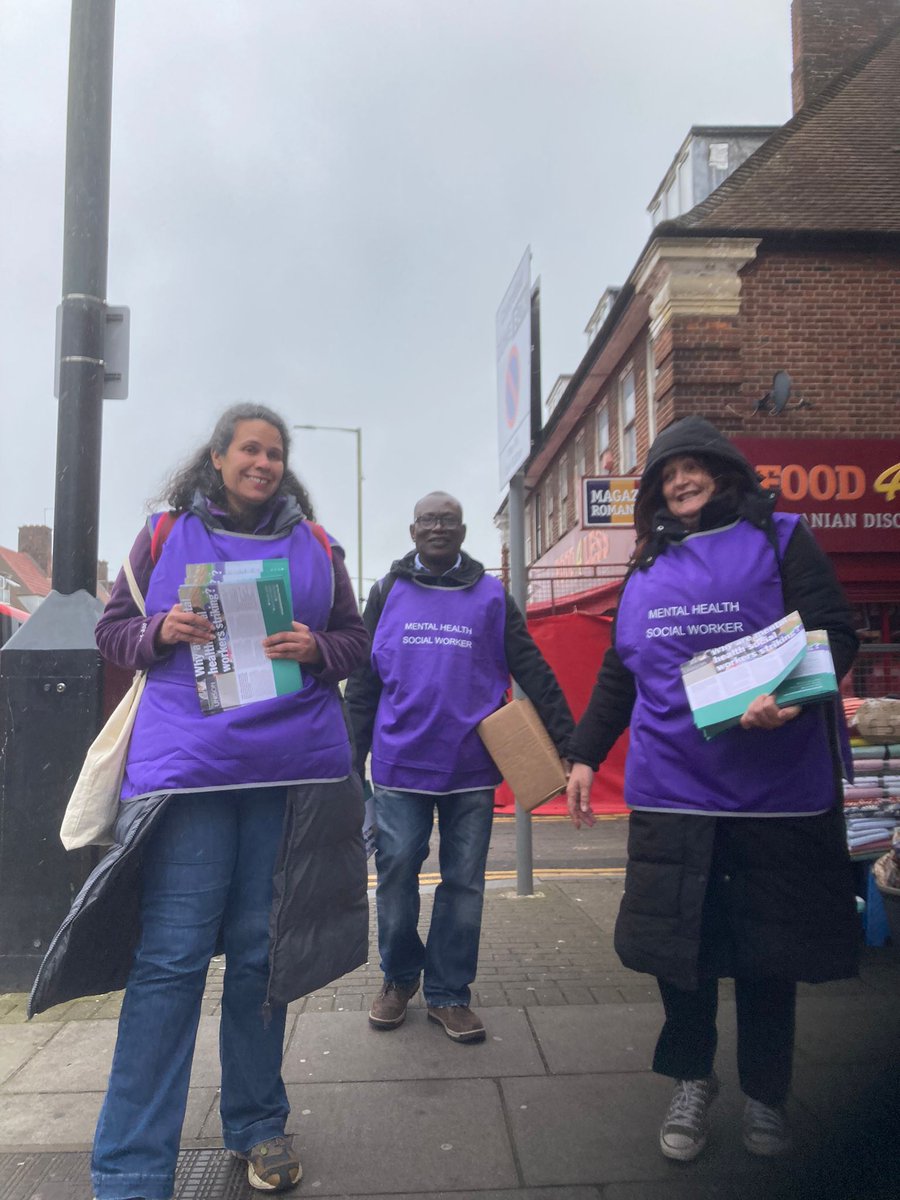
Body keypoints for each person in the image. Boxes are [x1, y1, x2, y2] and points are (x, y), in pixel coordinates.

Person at [31, 404, 370, 1200]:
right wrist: (158, 631)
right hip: (190, 782)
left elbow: (357, 641)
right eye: (249, 449)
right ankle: (132, 1167)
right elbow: (112, 634)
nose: (263, 463)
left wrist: (318, 649)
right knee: (171, 963)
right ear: (217, 458)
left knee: (262, 960)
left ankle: (257, 1124)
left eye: (275, 453)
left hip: (288, 781)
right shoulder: (160, 536)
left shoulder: (318, 547)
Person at [566, 416, 860, 1164]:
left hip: (773, 791)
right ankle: (692, 1079)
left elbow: (833, 629)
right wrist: (581, 757)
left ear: (726, 471)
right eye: (667, 473)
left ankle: (766, 1091)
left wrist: (791, 696)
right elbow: (618, 674)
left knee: (768, 953)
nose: (680, 480)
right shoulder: (645, 565)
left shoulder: (783, 537)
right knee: (679, 954)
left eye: (694, 466)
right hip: (673, 791)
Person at [345, 491, 574, 1043]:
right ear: (413, 529)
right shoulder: (386, 592)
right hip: (399, 769)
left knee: (464, 885)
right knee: (396, 876)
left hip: (471, 770)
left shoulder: (492, 597)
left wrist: (569, 739)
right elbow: (363, 686)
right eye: (428, 520)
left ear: (463, 530)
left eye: (447, 520)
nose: (438, 528)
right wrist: (350, 766)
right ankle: (399, 980)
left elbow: (532, 668)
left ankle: (448, 993)